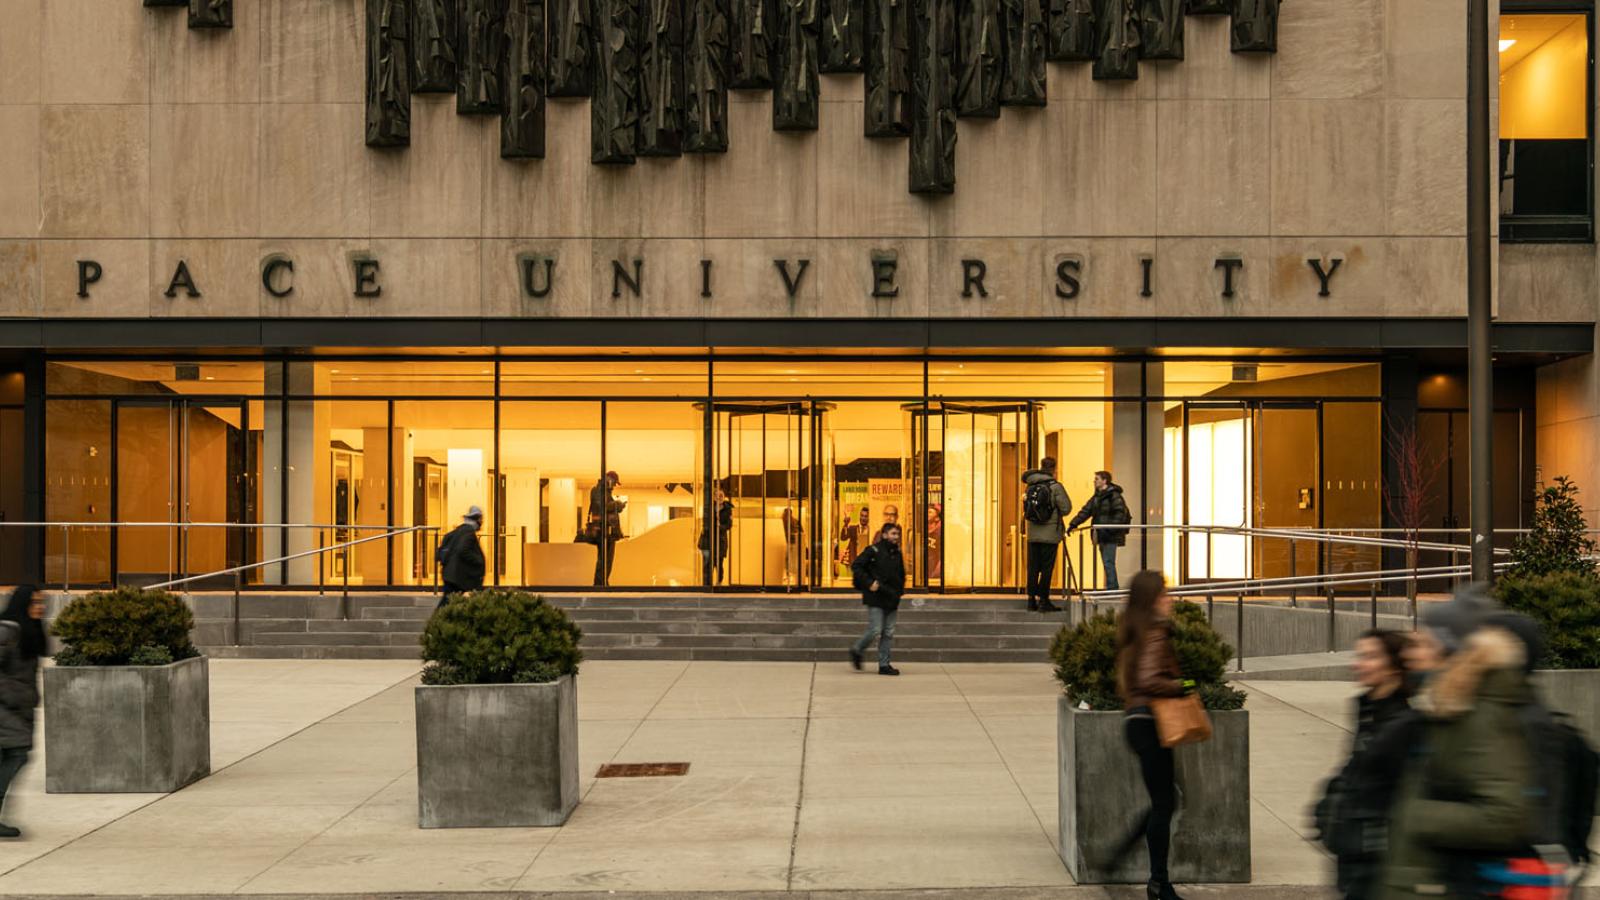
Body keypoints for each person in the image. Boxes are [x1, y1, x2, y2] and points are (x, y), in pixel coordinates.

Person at [1380, 586, 1543, 898]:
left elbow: (1504, 814)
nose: (1411, 651)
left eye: (1426, 643)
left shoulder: (1478, 716)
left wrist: (1414, 814)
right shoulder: (1444, 707)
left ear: (1450, 652)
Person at [1313, 629, 1415, 900]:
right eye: (1360, 655)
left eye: (1370, 657)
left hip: (1376, 863)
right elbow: (1352, 773)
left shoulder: (1402, 725)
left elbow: (1395, 796)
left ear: (1394, 667)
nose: (1358, 664)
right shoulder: (1369, 712)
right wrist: (1327, 812)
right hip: (1353, 856)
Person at [1113, 570, 1188, 900]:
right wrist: (1185, 685)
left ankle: (1127, 857)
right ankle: (1159, 883)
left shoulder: (1134, 630)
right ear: (1152, 599)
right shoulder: (1155, 632)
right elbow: (1149, 681)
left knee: (1166, 800)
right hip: (1151, 723)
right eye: (1164, 594)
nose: (1170, 600)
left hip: (1137, 722)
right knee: (1165, 803)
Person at [0, 586, 44, 839]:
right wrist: (14, 697)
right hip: (6, 708)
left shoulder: (28, 631)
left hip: (18, 709)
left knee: (15, 755)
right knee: (17, 754)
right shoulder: (7, 630)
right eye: (35, 602)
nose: (40, 607)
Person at [849, 522, 906, 676]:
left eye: (898, 534)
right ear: (885, 534)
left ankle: (884, 664)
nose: (896, 537)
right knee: (875, 629)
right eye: (893, 534)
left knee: (888, 632)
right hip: (875, 597)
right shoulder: (873, 550)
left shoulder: (897, 553)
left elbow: (901, 574)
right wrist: (869, 583)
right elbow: (856, 566)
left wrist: (899, 592)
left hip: (892, 597)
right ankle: (857, 650)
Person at [1021, 456, 1073, 613]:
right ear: (1054, 469)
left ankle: (1031, 601)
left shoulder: (1030, 486)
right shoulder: (1055, 486)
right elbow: (1066, 508)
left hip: (1033, 533)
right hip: (1050, 535)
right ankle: (1044, 601)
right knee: (1046, 568)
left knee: (1033, 567)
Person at [1068, 470, 1132, 591]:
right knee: (1107, 562)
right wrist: (1073, 523)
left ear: (1104, 481)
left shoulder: (1114, 496)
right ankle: (1111, 588)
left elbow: (1120, 514)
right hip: (1102, 534)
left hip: (1109, 534)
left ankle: (1112, 589)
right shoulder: (1098, 496)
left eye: (1097, 479)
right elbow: (1086, 511)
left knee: (1108, 562)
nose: (1094, 481)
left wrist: (1109, 530)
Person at [435, 506, 485, 607]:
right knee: (447, 604)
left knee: (449, 602)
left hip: (450, 575)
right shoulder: (469, 533)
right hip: (457, 577)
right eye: (481, 519)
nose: (482, 522)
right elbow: (462, 550)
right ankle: (436, 621)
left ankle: (440, 620)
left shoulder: (458, 531)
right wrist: (479, 561)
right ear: (477, 519)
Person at [589, 471, 626, 586]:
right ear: (608, 479)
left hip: (607, 532)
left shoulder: (602, 491)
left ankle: (603, 582)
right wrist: (618, 504)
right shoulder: (598, 491)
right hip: (603, 532)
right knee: (604, 561)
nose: (614, 486)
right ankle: (600, 584)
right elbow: (603, 507)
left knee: (607, 561)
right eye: (614, 483)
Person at [700, 486, 734, 585]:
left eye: (721, 495)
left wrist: (720, 527)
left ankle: (719, 583)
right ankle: (707, 584)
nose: (719, 497)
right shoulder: (709, 508)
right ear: (714, 497)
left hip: (720, 541)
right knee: (708, 564)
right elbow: (705, 523)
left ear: (724, 497)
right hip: (708, 540)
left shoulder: (728, 509)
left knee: (719, 564)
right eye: (717, 495)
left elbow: (729, 525)